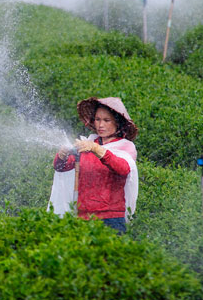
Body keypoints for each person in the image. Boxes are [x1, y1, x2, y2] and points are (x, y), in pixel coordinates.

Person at [48, 97, 139, 234]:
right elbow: (62, 167)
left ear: (117, 123)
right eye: (97, 119)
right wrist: (61, 155)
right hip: (83, 216)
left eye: (106, 120)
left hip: (111, 218)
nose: (100, 125)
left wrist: (98, 150)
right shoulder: (88, 143)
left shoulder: (125, 147)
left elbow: (123, 169)